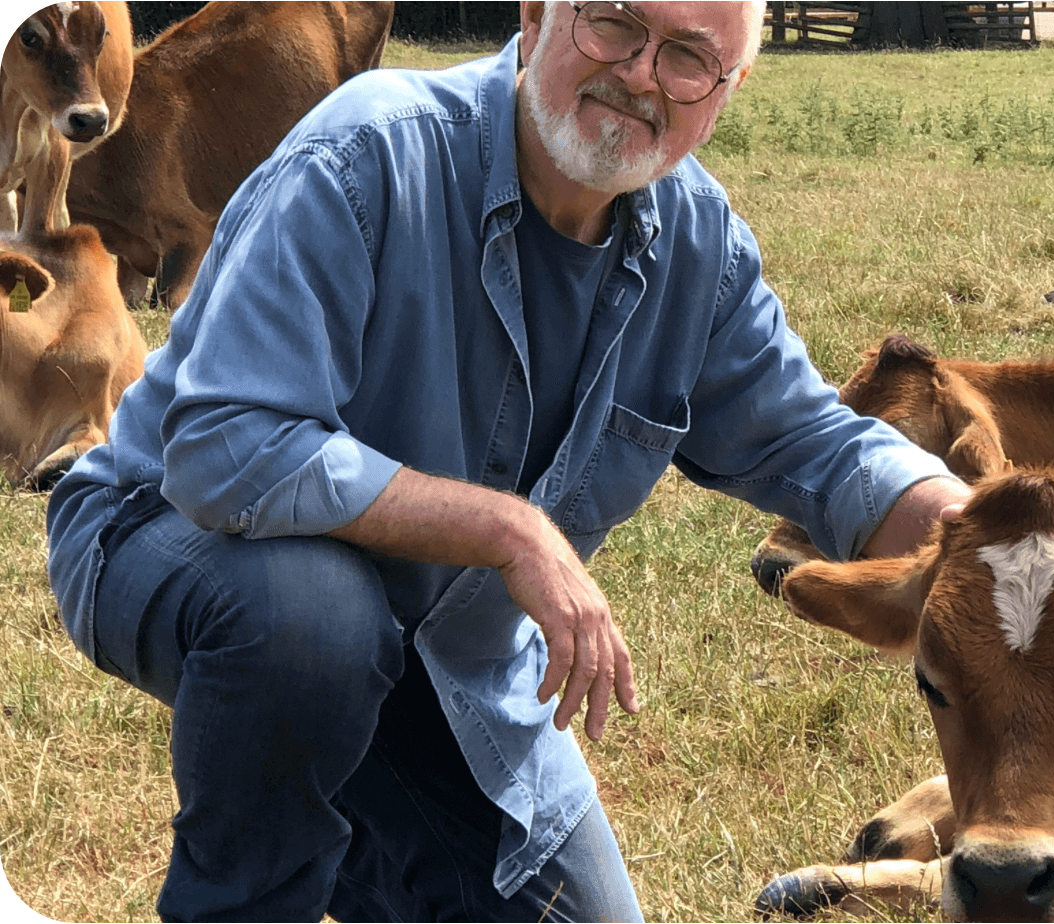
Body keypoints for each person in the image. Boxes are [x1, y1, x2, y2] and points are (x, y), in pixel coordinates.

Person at [44, 2, 971, 921]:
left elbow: (820, 445)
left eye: (689, 57)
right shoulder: (371, 152)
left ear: (728, 90)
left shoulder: (699, 250)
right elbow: (221, 449)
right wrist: (505, 527)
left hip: (448, 648)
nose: (643, 75)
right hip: (169, 531)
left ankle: (377, 837)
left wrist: (1002, 538)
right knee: (314, 620)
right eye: (613, 25)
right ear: (535, 15)